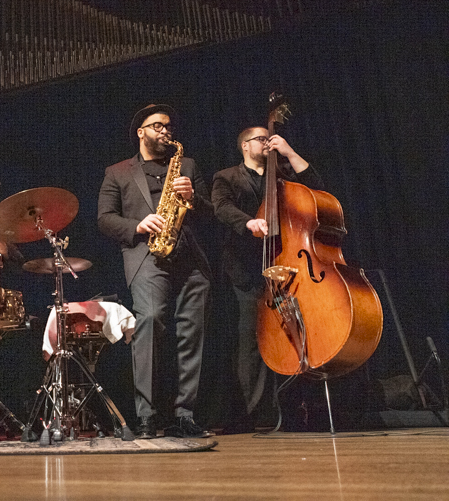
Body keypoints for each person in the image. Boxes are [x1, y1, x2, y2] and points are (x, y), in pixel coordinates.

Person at [97, 104, 214, 439]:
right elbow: (105, 218)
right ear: (141, 132)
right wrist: (138, 224)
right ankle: (147, 415)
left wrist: (193, 198)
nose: (166, 131)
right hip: (147, 254)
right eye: (158, 126)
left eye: (169, 127)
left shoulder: (187, 165)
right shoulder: (117, 172)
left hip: (189, 257)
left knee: (192, 333)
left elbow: (209, 213)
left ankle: (185, 414)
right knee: (148, 320)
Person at [211, 126, 323, 430]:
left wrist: (288, 151)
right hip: (246, 268)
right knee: (253, 340)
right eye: (262, 138)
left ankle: (303, 407)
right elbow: (221, 208)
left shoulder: (283, 173)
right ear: (246, 145)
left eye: (269, 137)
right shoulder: (227, 177)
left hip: (290, 264)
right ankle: (261, 415)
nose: (268, 141)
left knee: (300, 333)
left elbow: (318, 189)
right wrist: (249, 221)